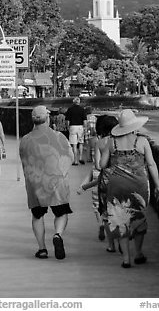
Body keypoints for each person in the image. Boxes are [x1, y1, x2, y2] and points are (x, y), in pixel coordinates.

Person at [88, 109, 159, 268]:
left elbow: (101, 165)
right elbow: (151, 164)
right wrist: (158, 186)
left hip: (116, 184)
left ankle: (126, 259)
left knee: (120, 219)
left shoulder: (111, 142)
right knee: (138, 217)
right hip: (138, 185)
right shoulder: (142, 141)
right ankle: (139, 253)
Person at [19, 105, 74, 260]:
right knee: (61, 213)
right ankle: (57, 235)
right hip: (56, 182)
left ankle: (42, 248)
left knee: (37, 215)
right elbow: (71, 157)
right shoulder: (59, 137)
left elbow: (24, 161)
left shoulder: (25, 140)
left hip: (35, 184)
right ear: (48, 119)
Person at [77, 114, 118, 250]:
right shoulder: (117, 141)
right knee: (116, 209)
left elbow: (98, 165)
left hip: (99, 178)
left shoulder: (99, 142)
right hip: (115, 177)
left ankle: (109, 241)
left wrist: (84, 185)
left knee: (100, 209)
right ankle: (120, 237)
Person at [65, 97, 87, 165]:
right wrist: (85, 128)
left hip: (73, 127)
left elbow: (67, 120)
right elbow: (85, 121)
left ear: (73, 102)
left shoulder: (70, 109)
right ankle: (80, 158)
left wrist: (68, 127)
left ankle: (75, 160)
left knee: (74, 145)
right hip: (80, 127)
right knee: (81, 143)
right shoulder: (82, 109)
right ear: (79, 102)